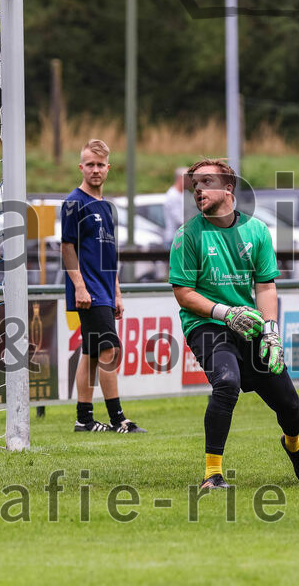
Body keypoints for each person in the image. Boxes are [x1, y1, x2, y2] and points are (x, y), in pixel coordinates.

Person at [169, 158, 299, 488]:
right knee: (227, 381)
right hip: (207, 324)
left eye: (207, 182)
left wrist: (271, 332)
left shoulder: (256, 231)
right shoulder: (187, 235)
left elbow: (265, 287)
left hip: (249, 325)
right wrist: (226, 313)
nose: (198, 190)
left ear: (228, 188)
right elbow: (183, 293)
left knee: (292, 409)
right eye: (195, 185)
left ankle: (293, 446)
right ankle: (212, 474)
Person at [62, 139, 146, 433]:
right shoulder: (74, 202)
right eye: (90, 165)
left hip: (105, 292)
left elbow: (109, 256)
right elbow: (67, 247)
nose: (95, 170)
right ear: (81, 167)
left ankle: (84, 420)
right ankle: (118, 418)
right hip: (89, 292)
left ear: (108, 168)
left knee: (92, 353)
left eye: (100, 165)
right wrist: (80, 287)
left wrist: (117, 293)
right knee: (110, 350)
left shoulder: (107, 207)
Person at [162, 166, 190, 245]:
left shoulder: (186, 194)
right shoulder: (172, 195)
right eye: (188, 179)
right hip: (174, 239)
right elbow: (179, 219)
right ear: (180, 178)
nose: (190, 181)